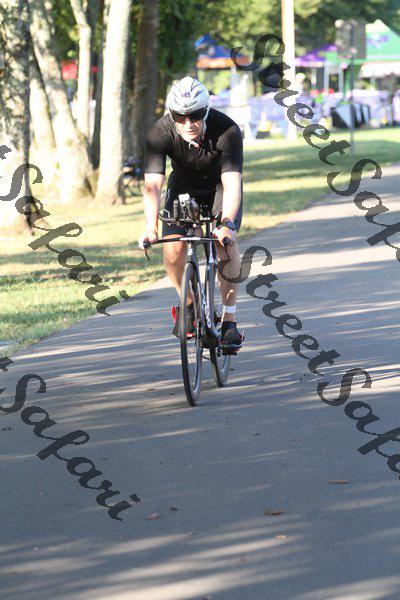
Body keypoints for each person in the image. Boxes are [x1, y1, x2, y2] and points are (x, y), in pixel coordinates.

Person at [139, 76, 244, 350]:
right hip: (184, 187)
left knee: (225, 243)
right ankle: (189, 304)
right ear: (171, 114)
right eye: (180, 116)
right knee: (173, 248)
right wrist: (150, 227)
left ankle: (229, 320)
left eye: (196, 115)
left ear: (206, 110)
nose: (188, 123)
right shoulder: (160, 132)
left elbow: (232, 184)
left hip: (220, 187)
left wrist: (227, 223)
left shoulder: (227, 130)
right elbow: (152, 185)